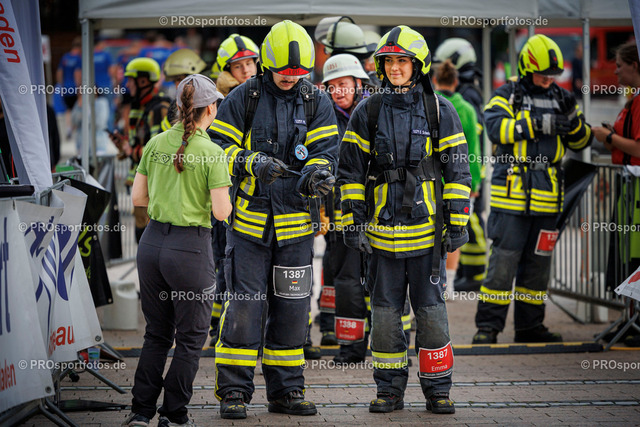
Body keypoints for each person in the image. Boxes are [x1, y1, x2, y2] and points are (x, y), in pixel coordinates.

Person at [338, 25, 472, 415]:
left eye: (402, 61)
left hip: (426, 236)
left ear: (419, 65)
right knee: (384, 317)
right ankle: (389, 391)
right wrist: (353, 223)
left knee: (431, 316)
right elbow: (350, 173)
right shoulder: (368, 111)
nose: (395, 68)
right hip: (381, 237)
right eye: (388, 61)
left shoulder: (439, 110)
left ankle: (438, 390)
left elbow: (458, 171)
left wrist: (457, 221)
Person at [208, 20, 338, 419]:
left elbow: (327, 151)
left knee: (292, 310)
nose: (290, 79)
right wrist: (250, 161)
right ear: (267, 64)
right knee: (245, 307)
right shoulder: (243, 97)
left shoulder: (315, 100)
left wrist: (317, 172)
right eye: (284, 72)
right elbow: (216, 148)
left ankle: (286, 391)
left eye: (298, 74)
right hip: (249, 228)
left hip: (296, 229)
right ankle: (234, 392)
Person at [123, 74, 231, 427]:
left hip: (151, 244)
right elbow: (221, 213)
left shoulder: (155, 143)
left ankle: (141, 411)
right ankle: (174, 413)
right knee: (190, 337)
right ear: (210, 108)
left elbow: (138, 198)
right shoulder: (213, 152)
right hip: (190, 250)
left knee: (156, 333)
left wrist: (168, 197)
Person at [472, 34, 592, 345]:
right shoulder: (508, 93)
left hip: (548, 199)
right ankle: (488, 327)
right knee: (503, 263)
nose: (548, 80)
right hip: (511, 196)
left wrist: (572, 122)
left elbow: (583, 141)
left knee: (538, 267)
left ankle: (530, 326)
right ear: (527, 68)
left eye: (552, 75)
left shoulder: (562, 98)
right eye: (542, 75)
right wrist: (536, 125)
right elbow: (495, 127)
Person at [206, 34, 260, 347]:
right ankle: (221, 327)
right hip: (222, 195)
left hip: (251, 198)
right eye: (239, 66)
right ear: (226, 70)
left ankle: (232, 326)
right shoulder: (219, 102)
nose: (246, 70)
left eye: (250, 63)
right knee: (224, 264)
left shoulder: (262, 96)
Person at [321, 53, 371, 363]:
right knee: (347, 282)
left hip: (380, 214)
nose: (338, 91)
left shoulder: (376, 110)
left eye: (343, 84)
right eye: (332, 86)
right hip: (342, 217)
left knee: (385, 281)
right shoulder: (323, 116)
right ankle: (351, 349)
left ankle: (391, 345)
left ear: (358, 83)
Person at [592, 41, 640, 347]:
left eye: (620, 66)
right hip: (629, 189)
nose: (616, 72)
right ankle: (630, 319)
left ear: (635, 66)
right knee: (625, 258)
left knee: (633, 257)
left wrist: (608, 136)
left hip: (636, 191)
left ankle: (636, 321)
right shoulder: (633, 99)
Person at [434, 37, 487, 292]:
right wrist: (474, 183)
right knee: (455, 230)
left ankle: (435, 282)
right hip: (458, 182)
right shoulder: (466, 108)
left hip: (432, 182)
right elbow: (473, 150)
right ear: (456, 82)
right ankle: (450, 285)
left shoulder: (430, 103)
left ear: (435, 80)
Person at [109, 57, 171, 243]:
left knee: (147, 238)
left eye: (130, 80)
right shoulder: (140, 108)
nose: (127, 84)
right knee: (141, 235)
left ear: (143, 81)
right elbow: (139, 143)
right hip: (142, 184)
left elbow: (160, 149)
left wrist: (131, 151)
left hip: (154, 186)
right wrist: (123, 146)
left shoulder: (159, 109)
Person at [160, 48, 207, 132]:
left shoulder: (209, 105)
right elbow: (163, 135)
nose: (177, 86)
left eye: (180, 79)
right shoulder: (174, 106)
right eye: (175, 81)